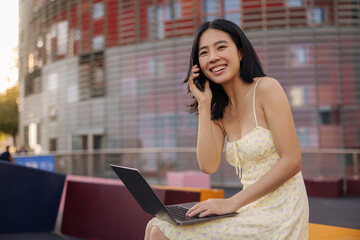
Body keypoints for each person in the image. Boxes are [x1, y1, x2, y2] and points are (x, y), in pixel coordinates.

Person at [145, 18, 309, 240]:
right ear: (198, 64)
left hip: (280, 212)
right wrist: (204, 105)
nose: (213, 57)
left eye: (221, 47)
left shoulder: (266, 88)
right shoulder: (218, 110)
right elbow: (208, 165)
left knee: (162, 231)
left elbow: (292, 161)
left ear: (240, 52)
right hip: (247, 207)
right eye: (204, 53)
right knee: (155, 224)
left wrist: (231, 202)